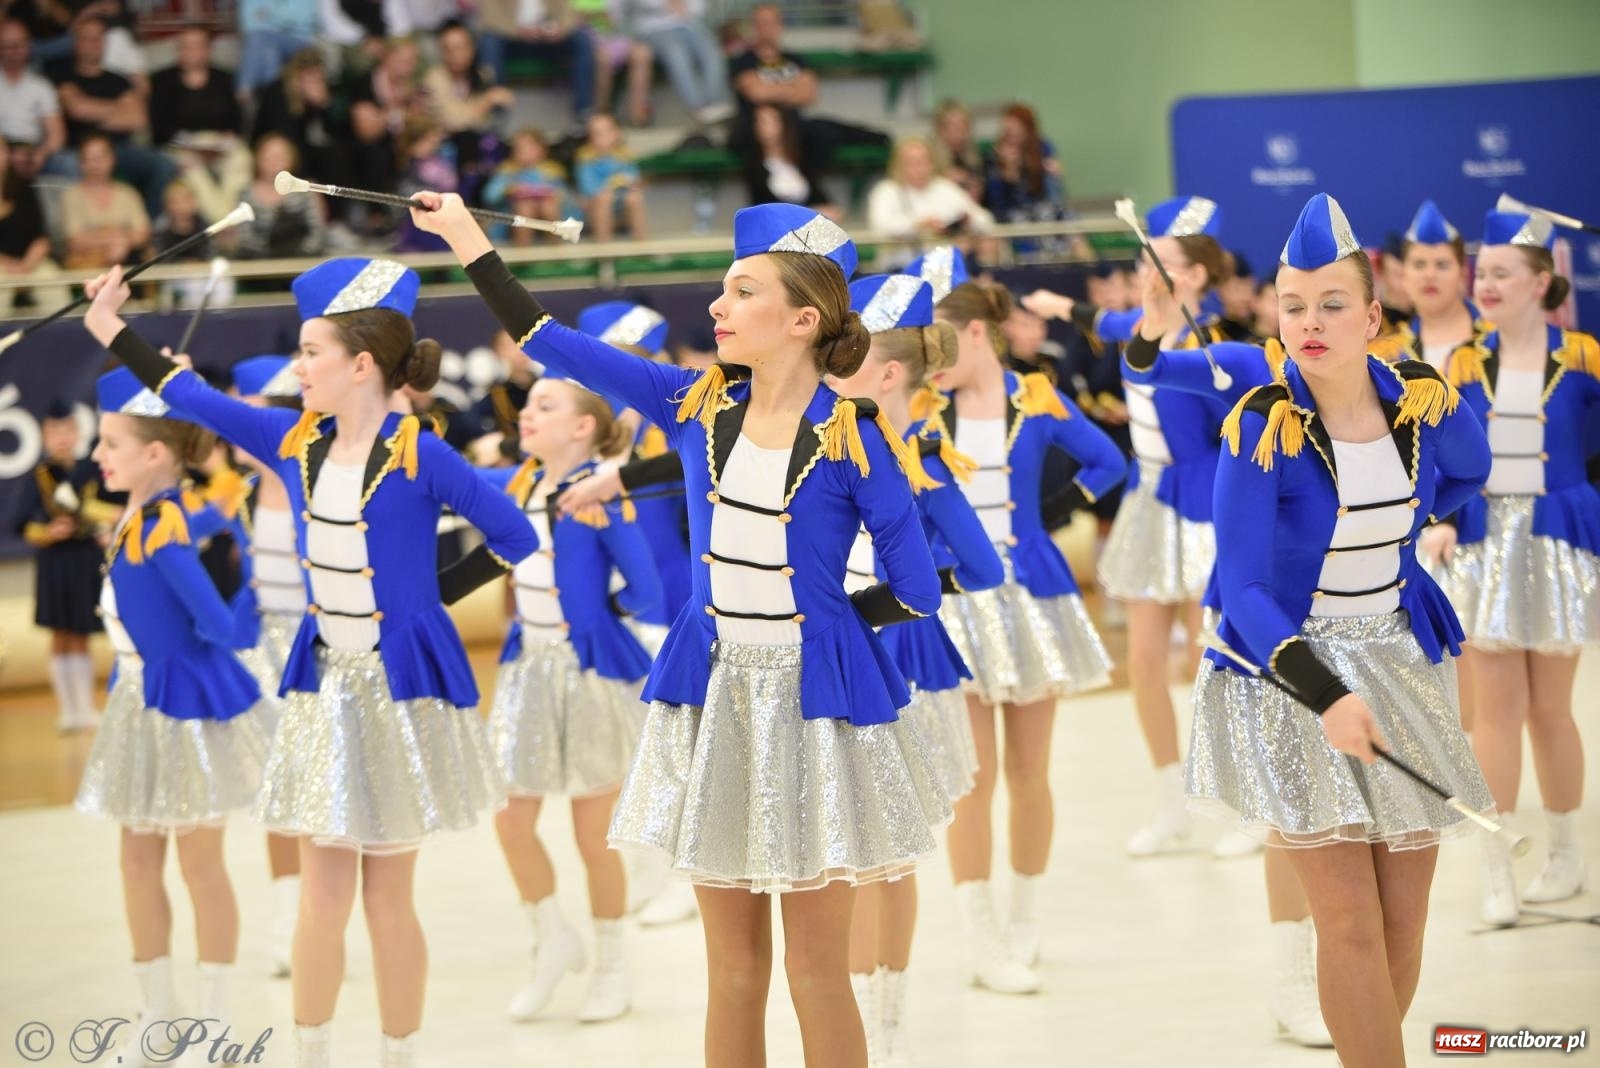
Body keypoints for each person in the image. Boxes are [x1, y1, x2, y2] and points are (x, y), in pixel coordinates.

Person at [418, 195, 951, 1067]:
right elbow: (547, 336)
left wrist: (834, 630)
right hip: (715, 699)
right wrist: (469, 240)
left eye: (742, 292)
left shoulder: (856, 437)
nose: (717, 307)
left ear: (801, 320)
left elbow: (918, 588)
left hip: (819, 710)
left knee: (817, 972)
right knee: (733, 970)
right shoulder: (692, 401)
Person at [80, 256, 540, 1068]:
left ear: (360, 365)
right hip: (325, 688)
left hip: (400, 696)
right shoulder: (293, 440)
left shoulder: (421, 454)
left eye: (309, 351)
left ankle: (398, 1056)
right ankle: (311, 1053)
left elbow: (515, 535)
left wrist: (429, 599)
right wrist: (112, 327)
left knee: (388, 901)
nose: (297, 367)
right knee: (321, 897)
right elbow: (193, 398)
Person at [1191, 192, 1493, 1066]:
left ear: (1372, 315)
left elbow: (1466, 475)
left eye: (1331, 305)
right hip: (1291, 676)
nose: (1309, 323)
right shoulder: (1263, 423)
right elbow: (1240, 588)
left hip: (1402, 660)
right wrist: (1324, 694)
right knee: (1350, 924)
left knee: (1404, 919)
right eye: (1291, 306)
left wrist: (1405, 539)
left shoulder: (1422, 407)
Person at [928, 277, 1125, 992]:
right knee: (972, 776)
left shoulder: (1036, 397)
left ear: (977, 333)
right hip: (956, 602)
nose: (931, 358)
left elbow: (1110, 462)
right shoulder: (925, 406)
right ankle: (978, 929)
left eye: (940, 343)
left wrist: (1050, 506)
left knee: (1029, 771)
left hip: (1033, 598)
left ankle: (1024, 914)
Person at [74, 367, 271, 1068]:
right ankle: (158, 1011)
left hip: (185, 706)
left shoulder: (161, 526)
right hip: (139, 704)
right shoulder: (139, 515)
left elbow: (220, 627)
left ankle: (215, 1021)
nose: (98, 455)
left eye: (111, 443)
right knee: (136, 858)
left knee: (199, 863)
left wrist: (264, 586)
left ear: (155, 454)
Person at [832, 272, 1004, 1065]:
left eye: (843, 359)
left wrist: (880, 607)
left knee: (881, 854)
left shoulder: (921, 460)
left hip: (895, 665)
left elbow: (983, 568)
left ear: (887, 373)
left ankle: (884, 1022)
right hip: (840, 661)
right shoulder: (844, 447)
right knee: (853, 853)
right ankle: (861, 1021)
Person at [1424, 208, 1599, 928]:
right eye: (1481, 273)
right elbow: (1441, 453)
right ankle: (1498, 866)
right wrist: (1435, 518)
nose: (1484, 284)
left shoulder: (1585, 356)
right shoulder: (1463, 363)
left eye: (1501, 273)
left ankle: (1565, 851)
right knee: (1495, 711)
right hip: (1486, 543)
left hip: (1557, 539)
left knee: (1552, 708)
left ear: (1541, 282)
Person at [486, 377, 661, 1024]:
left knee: (595, 836)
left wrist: (596, 617)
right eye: (527, 404)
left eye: (545, 406)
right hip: (527, 668)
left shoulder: (601, 495)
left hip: (587, 671)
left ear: (584, 427)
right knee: (511, 819)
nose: (527, 414)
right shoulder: (520, 485)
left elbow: (644, 587)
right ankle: (552, 937)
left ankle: (613, 964)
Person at [17, 400, 115, 731]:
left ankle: (85, 708)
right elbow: (20, 524)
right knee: (60, 633)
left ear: (77, 432)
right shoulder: (40, 475)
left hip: (85, 557)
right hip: (56, 561)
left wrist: (103, 527)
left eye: (66, 430)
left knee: (82, 633)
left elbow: (105, 508)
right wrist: (49, 532)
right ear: (44, 436)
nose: (61, 438)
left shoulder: (89, 469)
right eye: (53, 432)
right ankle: (68, 710)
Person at [868, 137, 994, 269]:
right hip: (899, 268)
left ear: (932, 164)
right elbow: (881, 226)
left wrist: (968, 222)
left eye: (923, 161)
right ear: (898, 166)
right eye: (911, 162)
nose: (918, 167)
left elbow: (985, 220)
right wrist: (920, 225)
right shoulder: (886, 191)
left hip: (944, 268)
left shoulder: (946, 188)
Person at [0, 135, 70, 316]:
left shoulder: (25, 190)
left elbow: (41, 238)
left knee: (51, 279)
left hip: (31, 262)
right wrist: (7, 264)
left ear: (8, 155)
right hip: (2, 266)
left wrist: (25, 266)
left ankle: (61, 339)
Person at [59, 132, 149, 269]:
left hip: (128, 261)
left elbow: (142, 233)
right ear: (80, 162)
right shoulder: (72, 196)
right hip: (86, 264)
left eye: (100, 158)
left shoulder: (128, 193)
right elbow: (74, 240)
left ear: (112, 159)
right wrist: (116, 241)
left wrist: (122, 244)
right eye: (88, 158)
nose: (95, 164)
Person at [742, 103, 835, 214]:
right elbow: (764, 209)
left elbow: (825, 204)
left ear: (783, 124)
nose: (763, 128)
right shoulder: (754, 165)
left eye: (769, 122)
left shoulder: (801, 159)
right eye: (758, 122)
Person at [574, 111, 645, 241]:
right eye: (597, 133)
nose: (604, 136)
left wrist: (632, 183)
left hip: (620, 208)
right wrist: (609, 186)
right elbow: (589, 189)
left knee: (635, 198)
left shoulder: (624, 155)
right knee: (604, 199)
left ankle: (641, 244)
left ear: (618, 133)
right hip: (594, 209)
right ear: (590, 138)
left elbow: (634, 179)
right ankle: (604, 249)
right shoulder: (586, 159)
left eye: (608, 131)